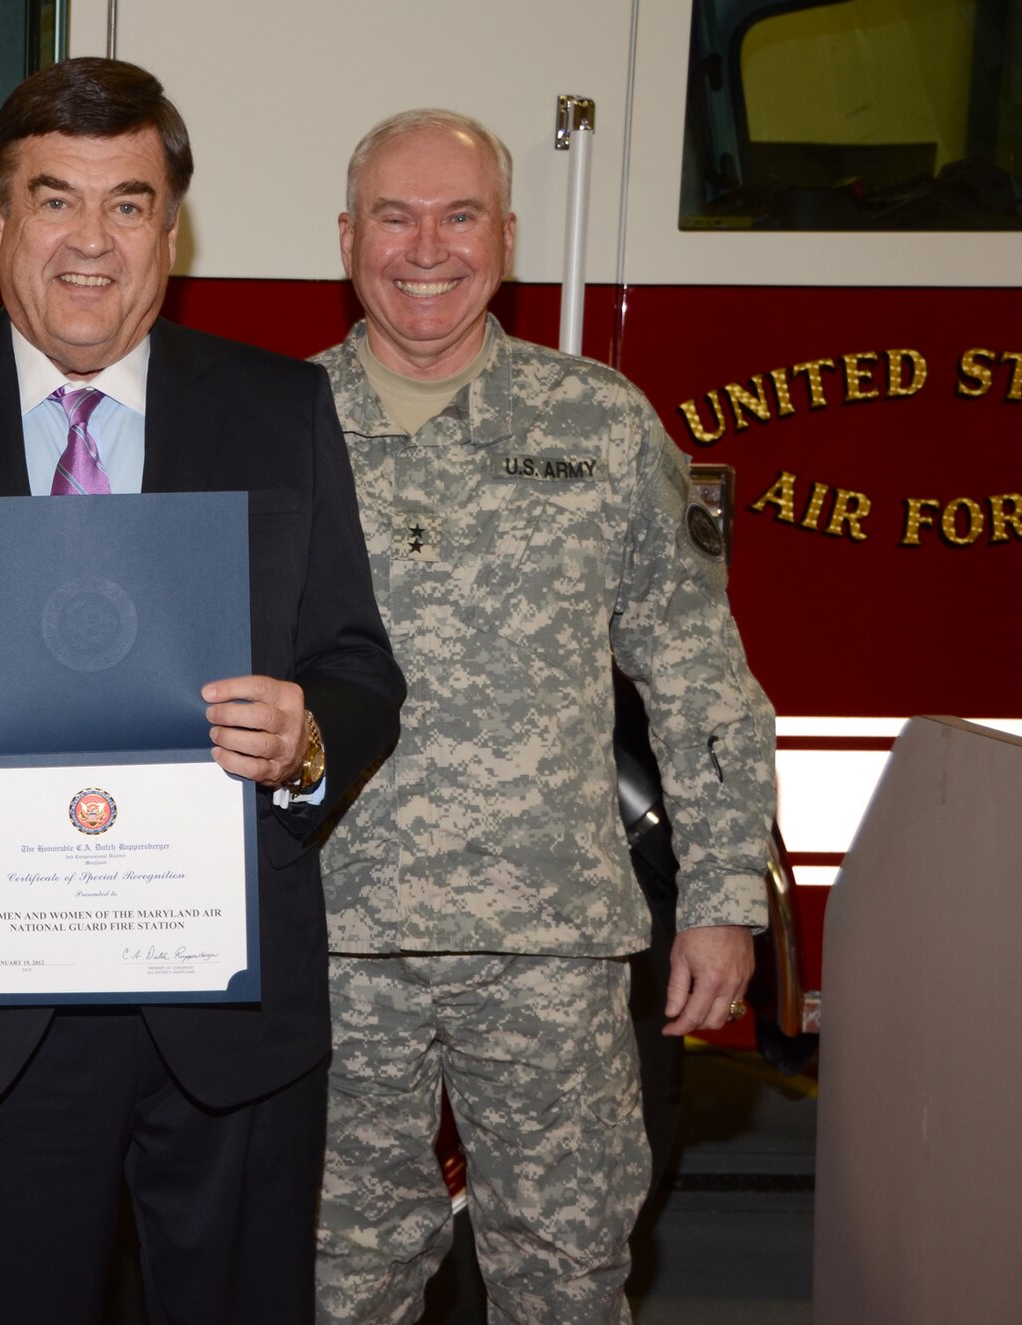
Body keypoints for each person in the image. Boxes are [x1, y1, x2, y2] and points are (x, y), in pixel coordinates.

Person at [0, 57, 404, 1325]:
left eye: (128, 204)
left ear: (169, 231)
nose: (89, 240)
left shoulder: (280, 408)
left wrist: (306, 737)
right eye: (53, 199)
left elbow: (356, 665)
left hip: (225, 1002)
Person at [309, 108, 776, 1325]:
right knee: (332, 1283)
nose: (427, 247)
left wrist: (724, 894)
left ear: (506, 238)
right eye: (395, 217)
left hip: (549, 948)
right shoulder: (271, 425)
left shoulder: (601, 423)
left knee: (564, 1277)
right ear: (346, 237)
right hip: (328, 938)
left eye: (458, 215)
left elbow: (696, 667)